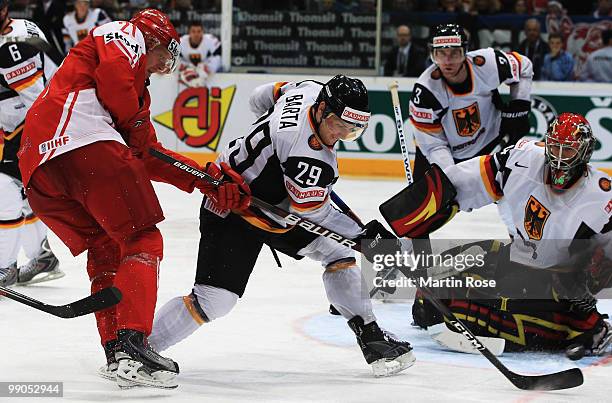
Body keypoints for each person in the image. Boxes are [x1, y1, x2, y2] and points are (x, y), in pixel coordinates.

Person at [18, 9, 247, 389]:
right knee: (143, 239)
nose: (162, 67)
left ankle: (116, 352)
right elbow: (116, 85)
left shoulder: (130, 90)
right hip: (84, 147)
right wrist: (137, 126)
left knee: (106, 248)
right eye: (164, 56)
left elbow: (147, 154)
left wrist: (206, 180)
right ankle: (133, 343)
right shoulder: (123, 33)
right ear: (154, 40)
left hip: (39, 172)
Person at [148, 75, 416, 377]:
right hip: (233, 209)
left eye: (351, 130)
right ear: (322, 108)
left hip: (276, 208)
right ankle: (143, 348)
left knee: (338, 253)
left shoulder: (308, 90)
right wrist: (364, 237)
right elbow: (317, 214)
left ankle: (371, 337)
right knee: (215, 300)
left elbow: (259, 98)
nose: (341, 134)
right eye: (338, 124)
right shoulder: (307, 155)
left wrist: (273, 145)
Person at [381, 113, 612, 356]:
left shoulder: (601, 197)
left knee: (461, 313)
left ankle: (585, 327)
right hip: (516, 259)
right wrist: (410, 221)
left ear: (584, 153)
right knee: (429, 301)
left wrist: (590, 282)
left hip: (554, 286)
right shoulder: (522, 159)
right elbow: (463, 182)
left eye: (567, 151)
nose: (558, 158)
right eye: (554, 147)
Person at [407, 22, 533, 318]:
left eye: (454, 52)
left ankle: (529, 260)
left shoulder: (487, 63)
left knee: (514, 193)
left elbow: (524, 67)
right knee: (416, 219)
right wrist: (453, 180)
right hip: (443, 155)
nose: (447, 61)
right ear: (432, 54)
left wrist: (519, 103)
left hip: (490, 142)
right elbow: (434, 146)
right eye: (441, 53)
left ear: (466, 51)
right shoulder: (425, 91)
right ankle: (422, 290)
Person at [0, 0, 63, 287]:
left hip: (30, 127)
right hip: (24, 125)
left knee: (4, 193)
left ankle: (5, 267)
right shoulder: (24, 29)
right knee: (19, 196)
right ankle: (42, 257)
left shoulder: (12, 48)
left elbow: (36, 102)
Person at [178, 21, 221, 88]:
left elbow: (218, 55)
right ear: (189, 32)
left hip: (204, 67)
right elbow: (173, 57)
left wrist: (209, 67)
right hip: (187, 67)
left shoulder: (209, 40)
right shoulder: (181, 42)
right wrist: (183, 67)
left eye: (199, 31)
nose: (196, 34)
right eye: (193, 31)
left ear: (202, 32)